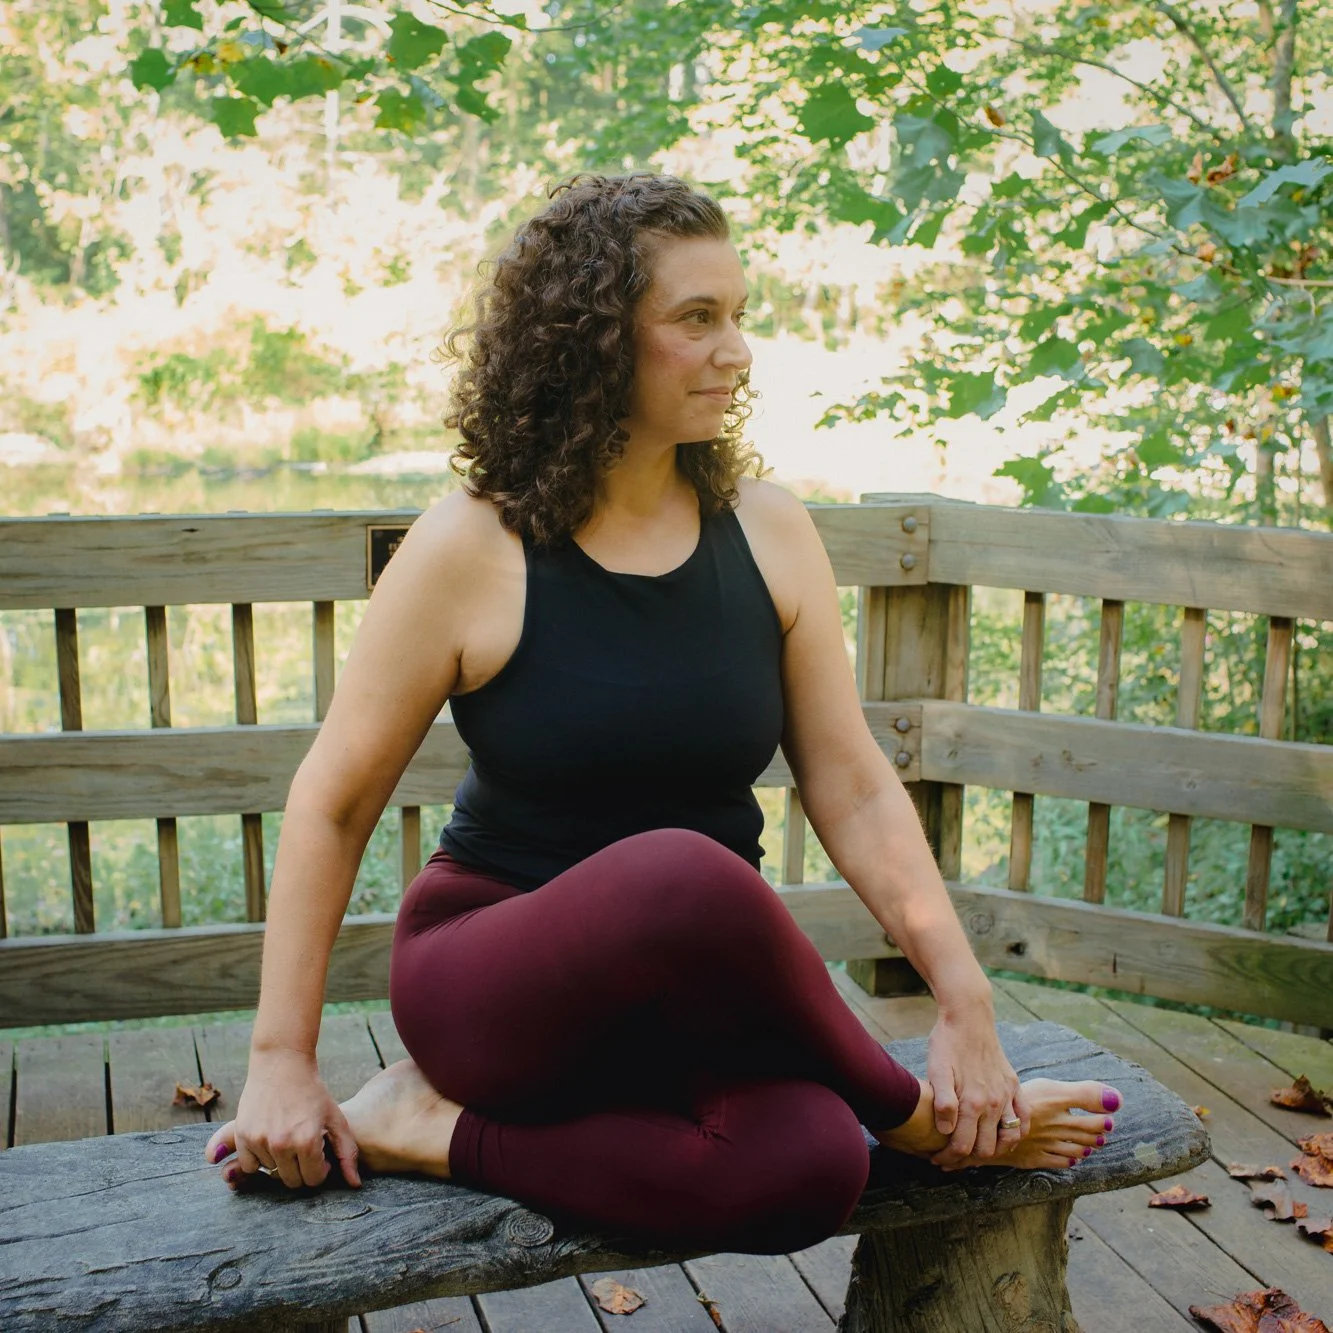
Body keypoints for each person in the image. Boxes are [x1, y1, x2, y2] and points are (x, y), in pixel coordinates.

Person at [205, 173, 1121, 1255]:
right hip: (498, 987)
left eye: (739, 315)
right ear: (592, 340)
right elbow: (333, 800)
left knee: (807, 1169)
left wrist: (965, 1001)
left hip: (694, 992)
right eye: (696, 319)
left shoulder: (771, 531)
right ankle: (918, 1118)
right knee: (681, 868)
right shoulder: (469, 546)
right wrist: (280, 1058)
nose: (737, 351)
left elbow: (854, 781)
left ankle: (430, 1130)